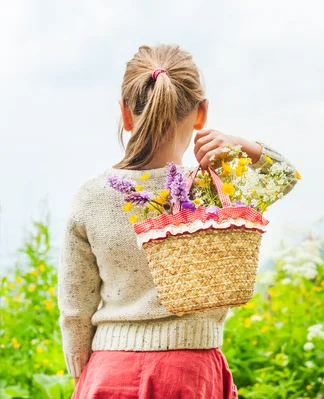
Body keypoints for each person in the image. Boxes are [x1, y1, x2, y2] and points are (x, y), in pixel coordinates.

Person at [57, 44, 299, 398]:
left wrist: (85, 376)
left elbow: (75, 310)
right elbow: (287, 175)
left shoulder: (90, 198)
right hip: (190, 374)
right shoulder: (215, 193)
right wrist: (240, 145)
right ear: (201, 114)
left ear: (125, 114)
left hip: (108, 373)